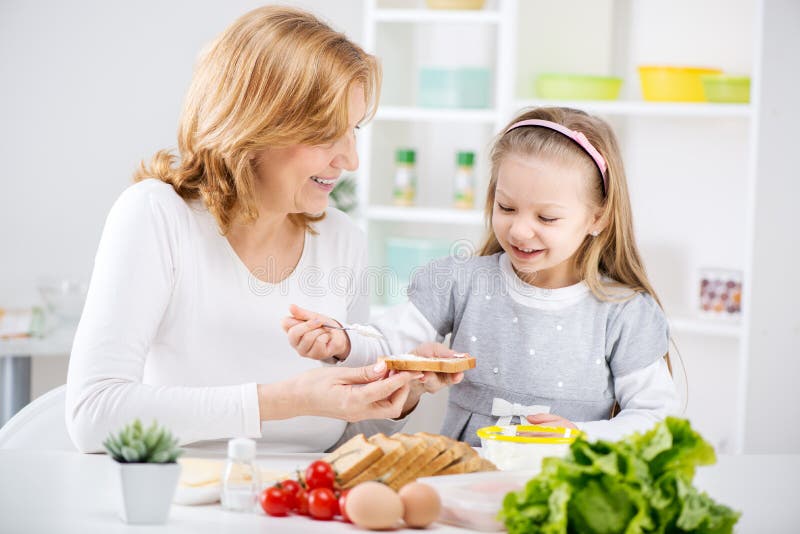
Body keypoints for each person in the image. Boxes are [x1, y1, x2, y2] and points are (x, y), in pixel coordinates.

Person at [65, 6, 426, 454]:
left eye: (352, 131)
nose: (349, 161)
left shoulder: (342, 238)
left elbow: (344, 441)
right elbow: (94, 415)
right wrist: (286, 400)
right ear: (257, 126)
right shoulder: (158, 216)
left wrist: (395, 397)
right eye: (326, 135)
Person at [285, 106, 679, 445]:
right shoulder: (462, 282)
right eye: (506, 208)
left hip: (569, 486)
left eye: (546, 217)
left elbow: (655, 418)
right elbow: (391, 344)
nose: (521, 230)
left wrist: (577, 435)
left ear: (597, 218)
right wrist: (342, 341)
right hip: (466, 479)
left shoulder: (623, 312)